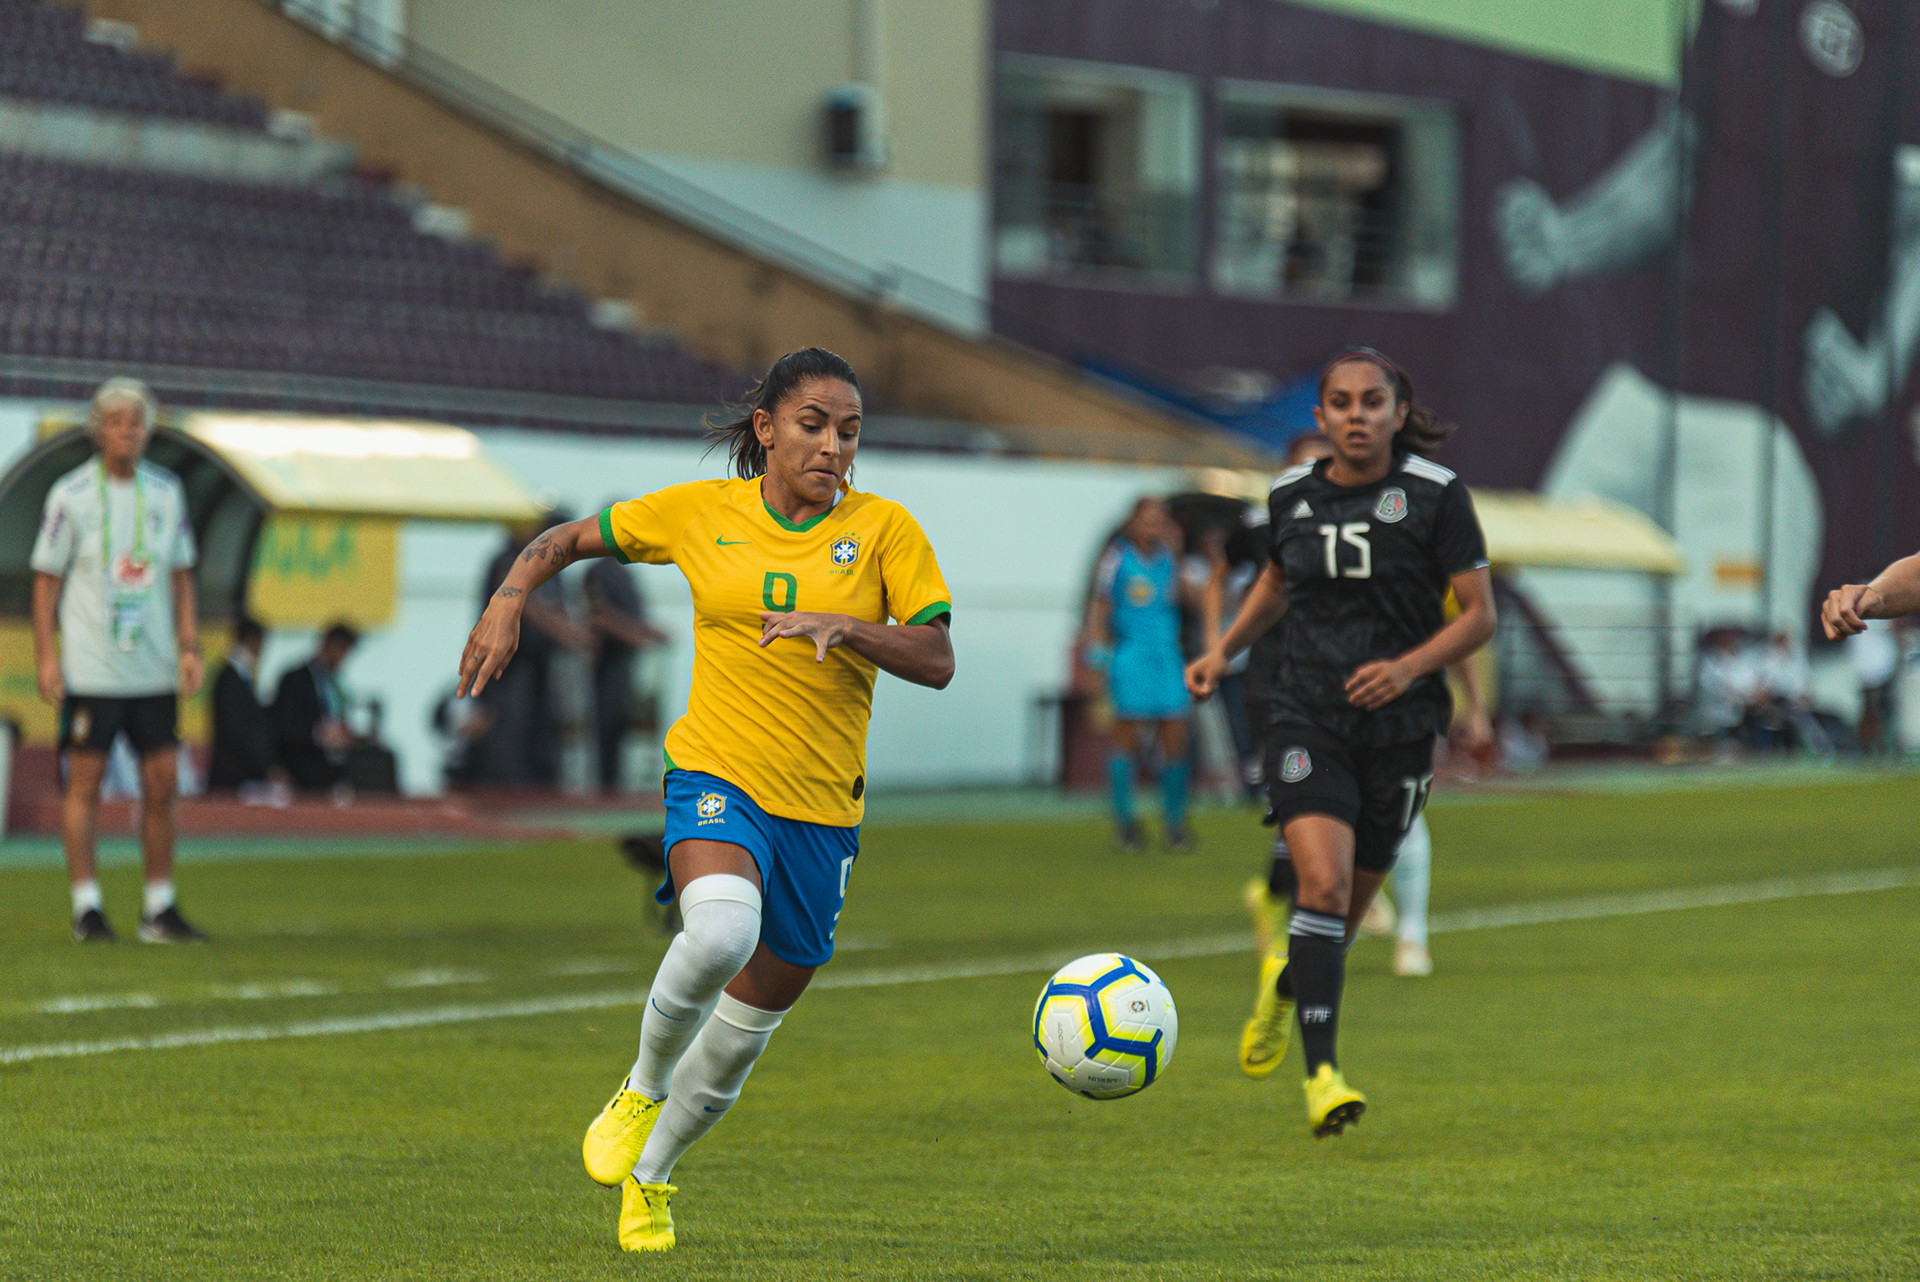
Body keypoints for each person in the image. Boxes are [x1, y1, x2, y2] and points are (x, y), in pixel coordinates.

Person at [456, 347, 953, 1252]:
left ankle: (651, 1178)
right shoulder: (700, 513)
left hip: (823, 813)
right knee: (720, 934)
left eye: (849, 432)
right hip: (716, 775)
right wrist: (510, 598)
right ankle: (641, 1085)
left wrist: (849, 628)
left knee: (746, 1032)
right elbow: (564, 539)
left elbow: (937, 657)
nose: (833, 447)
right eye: (813, 425)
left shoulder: (886, 531)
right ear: (767, 429)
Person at [1187, 347, 1495, 1138]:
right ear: (1320, 416)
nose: (1357, 415)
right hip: (1306, 716)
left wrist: (1409, 668)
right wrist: (1224, 651)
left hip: (1400, 729)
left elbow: (1478, 615)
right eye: (1342, 402)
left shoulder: (1436, 496)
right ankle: (1323, 1078)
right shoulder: (1290, 494)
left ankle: (1286, 983)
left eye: (1372, 401)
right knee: (1319, 889)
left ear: (1398, 412)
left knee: (1341, 922)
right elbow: (1276, 581)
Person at [29, 377, 204, 944]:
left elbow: (182, 574)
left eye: (136, 423)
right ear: (98, 430)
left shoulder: (167, 492)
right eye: (116, 422)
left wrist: (189, 645)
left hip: (152, 668)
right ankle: (87, 907)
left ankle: (159, 906)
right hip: (93, 668)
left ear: (148, 431)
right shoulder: (72, 494)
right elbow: (46, 581)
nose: (127, 432)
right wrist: (47, 657)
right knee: (86, 783)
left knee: (162, 782)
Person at [1084, 497, 1197, 850]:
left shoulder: (1169, 559)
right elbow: (1099, 607)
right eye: (1147, 520)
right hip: (1131, 656)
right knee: (1127, 742)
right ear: (1132, 523)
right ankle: (1126, 825)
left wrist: (1179, 555)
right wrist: (1096, 658)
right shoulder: (1116, 558)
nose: (1153, 527)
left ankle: (1175, 825)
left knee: (1176, 739)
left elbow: (1187, 599)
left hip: (1167, 656)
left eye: (1159, 521)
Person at [584, 552, 666, 792]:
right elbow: (600, 615)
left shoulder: (626, 573)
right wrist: (635, 637)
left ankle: (616, 788)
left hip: (625, 664)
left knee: (621, 728)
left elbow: (631, 617)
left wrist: (651, 633)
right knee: (605, 728)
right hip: (606, 665)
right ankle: (604, 791)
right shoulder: (598, 572)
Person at [271, 622, 360, 791]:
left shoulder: (335, 684)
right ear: (329, 645)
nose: (343, 659)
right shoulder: (295, 680)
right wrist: (318, 733)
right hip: (300, 772)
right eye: (342, 651)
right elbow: (283, 725)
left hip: (332, 771)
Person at [208, 616, 275, 791]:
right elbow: (236, 729)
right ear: (252, 641)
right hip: (232, 775)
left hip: (241, 772)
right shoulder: (230, 679)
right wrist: (260, 762)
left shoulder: (242, 678)